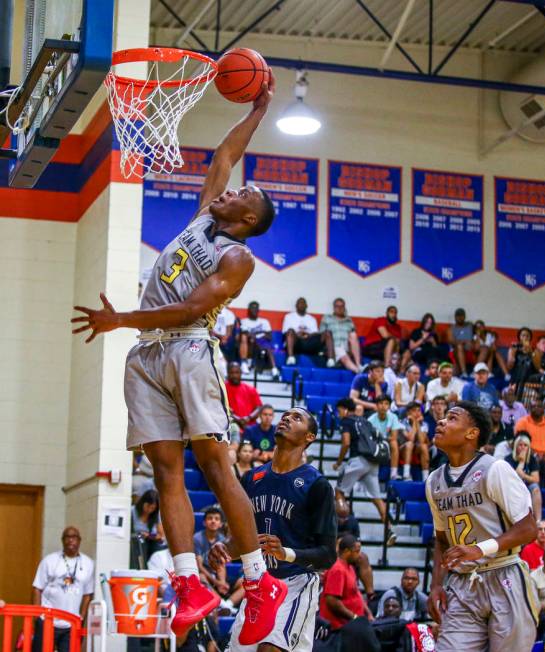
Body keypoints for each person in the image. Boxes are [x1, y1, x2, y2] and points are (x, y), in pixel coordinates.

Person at [71, 76, 288, 644]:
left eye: (243, 194)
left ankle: (260, 581)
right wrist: (258, 107)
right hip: (146, 356)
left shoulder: (237, 257)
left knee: (216, 469)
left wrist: (120, 320)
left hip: (189, 349)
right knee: (163, 470)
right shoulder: (202, 217)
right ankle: (190, 584)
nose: (231, 188)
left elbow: (190, 306)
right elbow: (225, 152)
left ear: (248, 220)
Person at [209, 406, 337, 652]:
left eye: (297, 417)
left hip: (295, 583)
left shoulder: (316, 484)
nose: (287, 418)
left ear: (310, 437)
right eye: (285, 415)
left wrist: (286, 553)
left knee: (270, 649)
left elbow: (328, 555)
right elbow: (244, 542)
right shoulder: (252, 478)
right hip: (259, 585)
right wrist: (224, 550)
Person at [426, 401, 538, 651]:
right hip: (462, 583)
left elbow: (529, 528)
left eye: (452, 418)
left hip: (505, 573)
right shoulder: (434, 481)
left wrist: (480, 549)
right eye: (443, 418)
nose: (441, 422)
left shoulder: (495, 469)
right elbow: (442, 540)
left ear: (472, 433)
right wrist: (435, 585)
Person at [334, 398, 396, 545]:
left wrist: (338, 463)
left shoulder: (346, 422)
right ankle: (390, 529)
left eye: (339, 411)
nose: (338, 414)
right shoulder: (366, 421)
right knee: (377, 499)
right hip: (373, 463)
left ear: (345, 409)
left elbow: (346, 443)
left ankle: (343, 524)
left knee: (339, 492)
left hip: (358, 460)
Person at [31, 527, 94, 652]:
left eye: (74, 537)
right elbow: (37, 588)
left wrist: (81, 617)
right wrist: (37, 616)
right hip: (47, 621)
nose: (71, 540)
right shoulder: (50, 560)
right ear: (62, 540)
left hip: (71, 624)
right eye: (67, 537)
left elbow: (88, 594)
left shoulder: (88, 563)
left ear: (79, 540)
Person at [319, 535, 372, 629]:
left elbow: (356, 593)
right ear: (347, 551)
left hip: (352, 624)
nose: (360, 555)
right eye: (357, 551)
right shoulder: (337, 569)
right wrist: (354, 617)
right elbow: (332, 601)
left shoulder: (350, 567)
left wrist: (368, 614)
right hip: (339, 628)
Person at [283, 297, 335, 367]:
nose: (302, 305)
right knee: (291, 331)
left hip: (310, 342)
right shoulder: (288, 317)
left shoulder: (311, 319)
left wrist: (308, 334)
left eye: (303, 303)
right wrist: (298, 334)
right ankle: (291, 358)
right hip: (296, 342)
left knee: (328, 332)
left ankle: (331, 360)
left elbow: (315, 333)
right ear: (296, 305)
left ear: (306, 306)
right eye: (300, 303)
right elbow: (285, 332)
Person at [505, 433, 542, 521]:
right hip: (513, 488)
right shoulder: (508, 459)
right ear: (515, 447)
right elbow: (508, 479)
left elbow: (536, 479)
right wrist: (521, 462)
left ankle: (538, 520)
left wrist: (523, 475)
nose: (522, 447)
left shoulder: (532, 459)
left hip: (527, 487)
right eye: (520, 445)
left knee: (536, 488)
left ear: (528, 447)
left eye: (525, 445)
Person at [193, 507, 229, 597]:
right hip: (202, 573)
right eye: (210, 518)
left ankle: (229, 604)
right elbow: (199, 566)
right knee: (201, 577)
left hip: (216, 573)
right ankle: (220, 603)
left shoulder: (222, 539)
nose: (213, 521)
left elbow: (221, 564)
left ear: (220, 524)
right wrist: (217, 583)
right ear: (204, 523)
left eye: (216, 519)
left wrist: (222, 582)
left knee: (242, 582)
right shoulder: (197, 538)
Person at [320, 298, 362, 374]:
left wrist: (350, 350)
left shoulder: (349, 320)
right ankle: (357, 371)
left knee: (353, 334)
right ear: (333, 307)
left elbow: (354, 339)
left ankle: (358, 364)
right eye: (337, 306)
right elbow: (321, 336)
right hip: (333, 347)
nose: (339, 308)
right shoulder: (327, 318)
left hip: (346, 347)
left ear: (344, 308)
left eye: (342, 306)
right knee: (342, 353)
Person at [368, 395, 404, 481]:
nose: (383, 406)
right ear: (376, 406)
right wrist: (385, 437)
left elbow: (394, 437)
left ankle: (394, 473)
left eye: (386, 404)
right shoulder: (370, 420)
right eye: (380, 403)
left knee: (394, 443)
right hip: (375, 443)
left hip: (386, 441)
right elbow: (370, 438)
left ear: (389, 406)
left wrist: (382, 437)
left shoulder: (393, 417)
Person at [239, 301, 279, 378]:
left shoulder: (264, 321)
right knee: (249, 339)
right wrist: (261, 333)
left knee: (268, 347)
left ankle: (275, 370)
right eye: (252, 308)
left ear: (258, 310)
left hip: (262, 343)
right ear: (249, 310)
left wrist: (256, 335)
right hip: (250, 344)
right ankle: (246, 363)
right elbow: (244, 334)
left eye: (256, 308)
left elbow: (269, 336)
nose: (254, 310)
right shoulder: (244, 321)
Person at [225, 361, 263, 430]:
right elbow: (221, 408)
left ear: (241, 373)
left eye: (237, 372)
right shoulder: (222, 389)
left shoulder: (250, 389)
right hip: (230, 428)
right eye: (232, 373)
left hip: (251, 428)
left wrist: (249, 417)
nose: (234, 375)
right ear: (228, 373)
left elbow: (259, 407)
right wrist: (237, 419)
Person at [399, 402, 430, 481]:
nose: (417, 413)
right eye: (414, 410)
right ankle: (406, 475)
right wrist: (414, 424)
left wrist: (417, 424)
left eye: (419, 410)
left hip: (416, 450)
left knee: (424, 446)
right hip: (403, 450)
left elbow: (422, 440)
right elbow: (411, 439)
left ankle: (426, 478)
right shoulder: (401, 422)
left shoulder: (424, 424)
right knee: (409, 444)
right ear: (408, 412)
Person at [131, 489, 164, 558]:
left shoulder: (155, 515)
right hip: (136, 537)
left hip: (149, 539)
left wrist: (148, 535)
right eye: (147, 506)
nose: (149, 510)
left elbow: (160, 535)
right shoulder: (132, 511)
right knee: (141, 542)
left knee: (159, 545)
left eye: (152, 508)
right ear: (142, 502)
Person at [448, 308, 474, 377]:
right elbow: (451, 341)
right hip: (456, 352)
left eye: (461, 315)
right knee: (459, 346)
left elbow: (479, 331)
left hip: (470, 351)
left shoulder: (470, 326)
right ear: (455, 317)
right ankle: (464, 372)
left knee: (483, 348)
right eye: (458, 316)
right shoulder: (451, 328)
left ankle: (475, 372)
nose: (460, 317)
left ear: (464, 316)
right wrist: (464, 342)